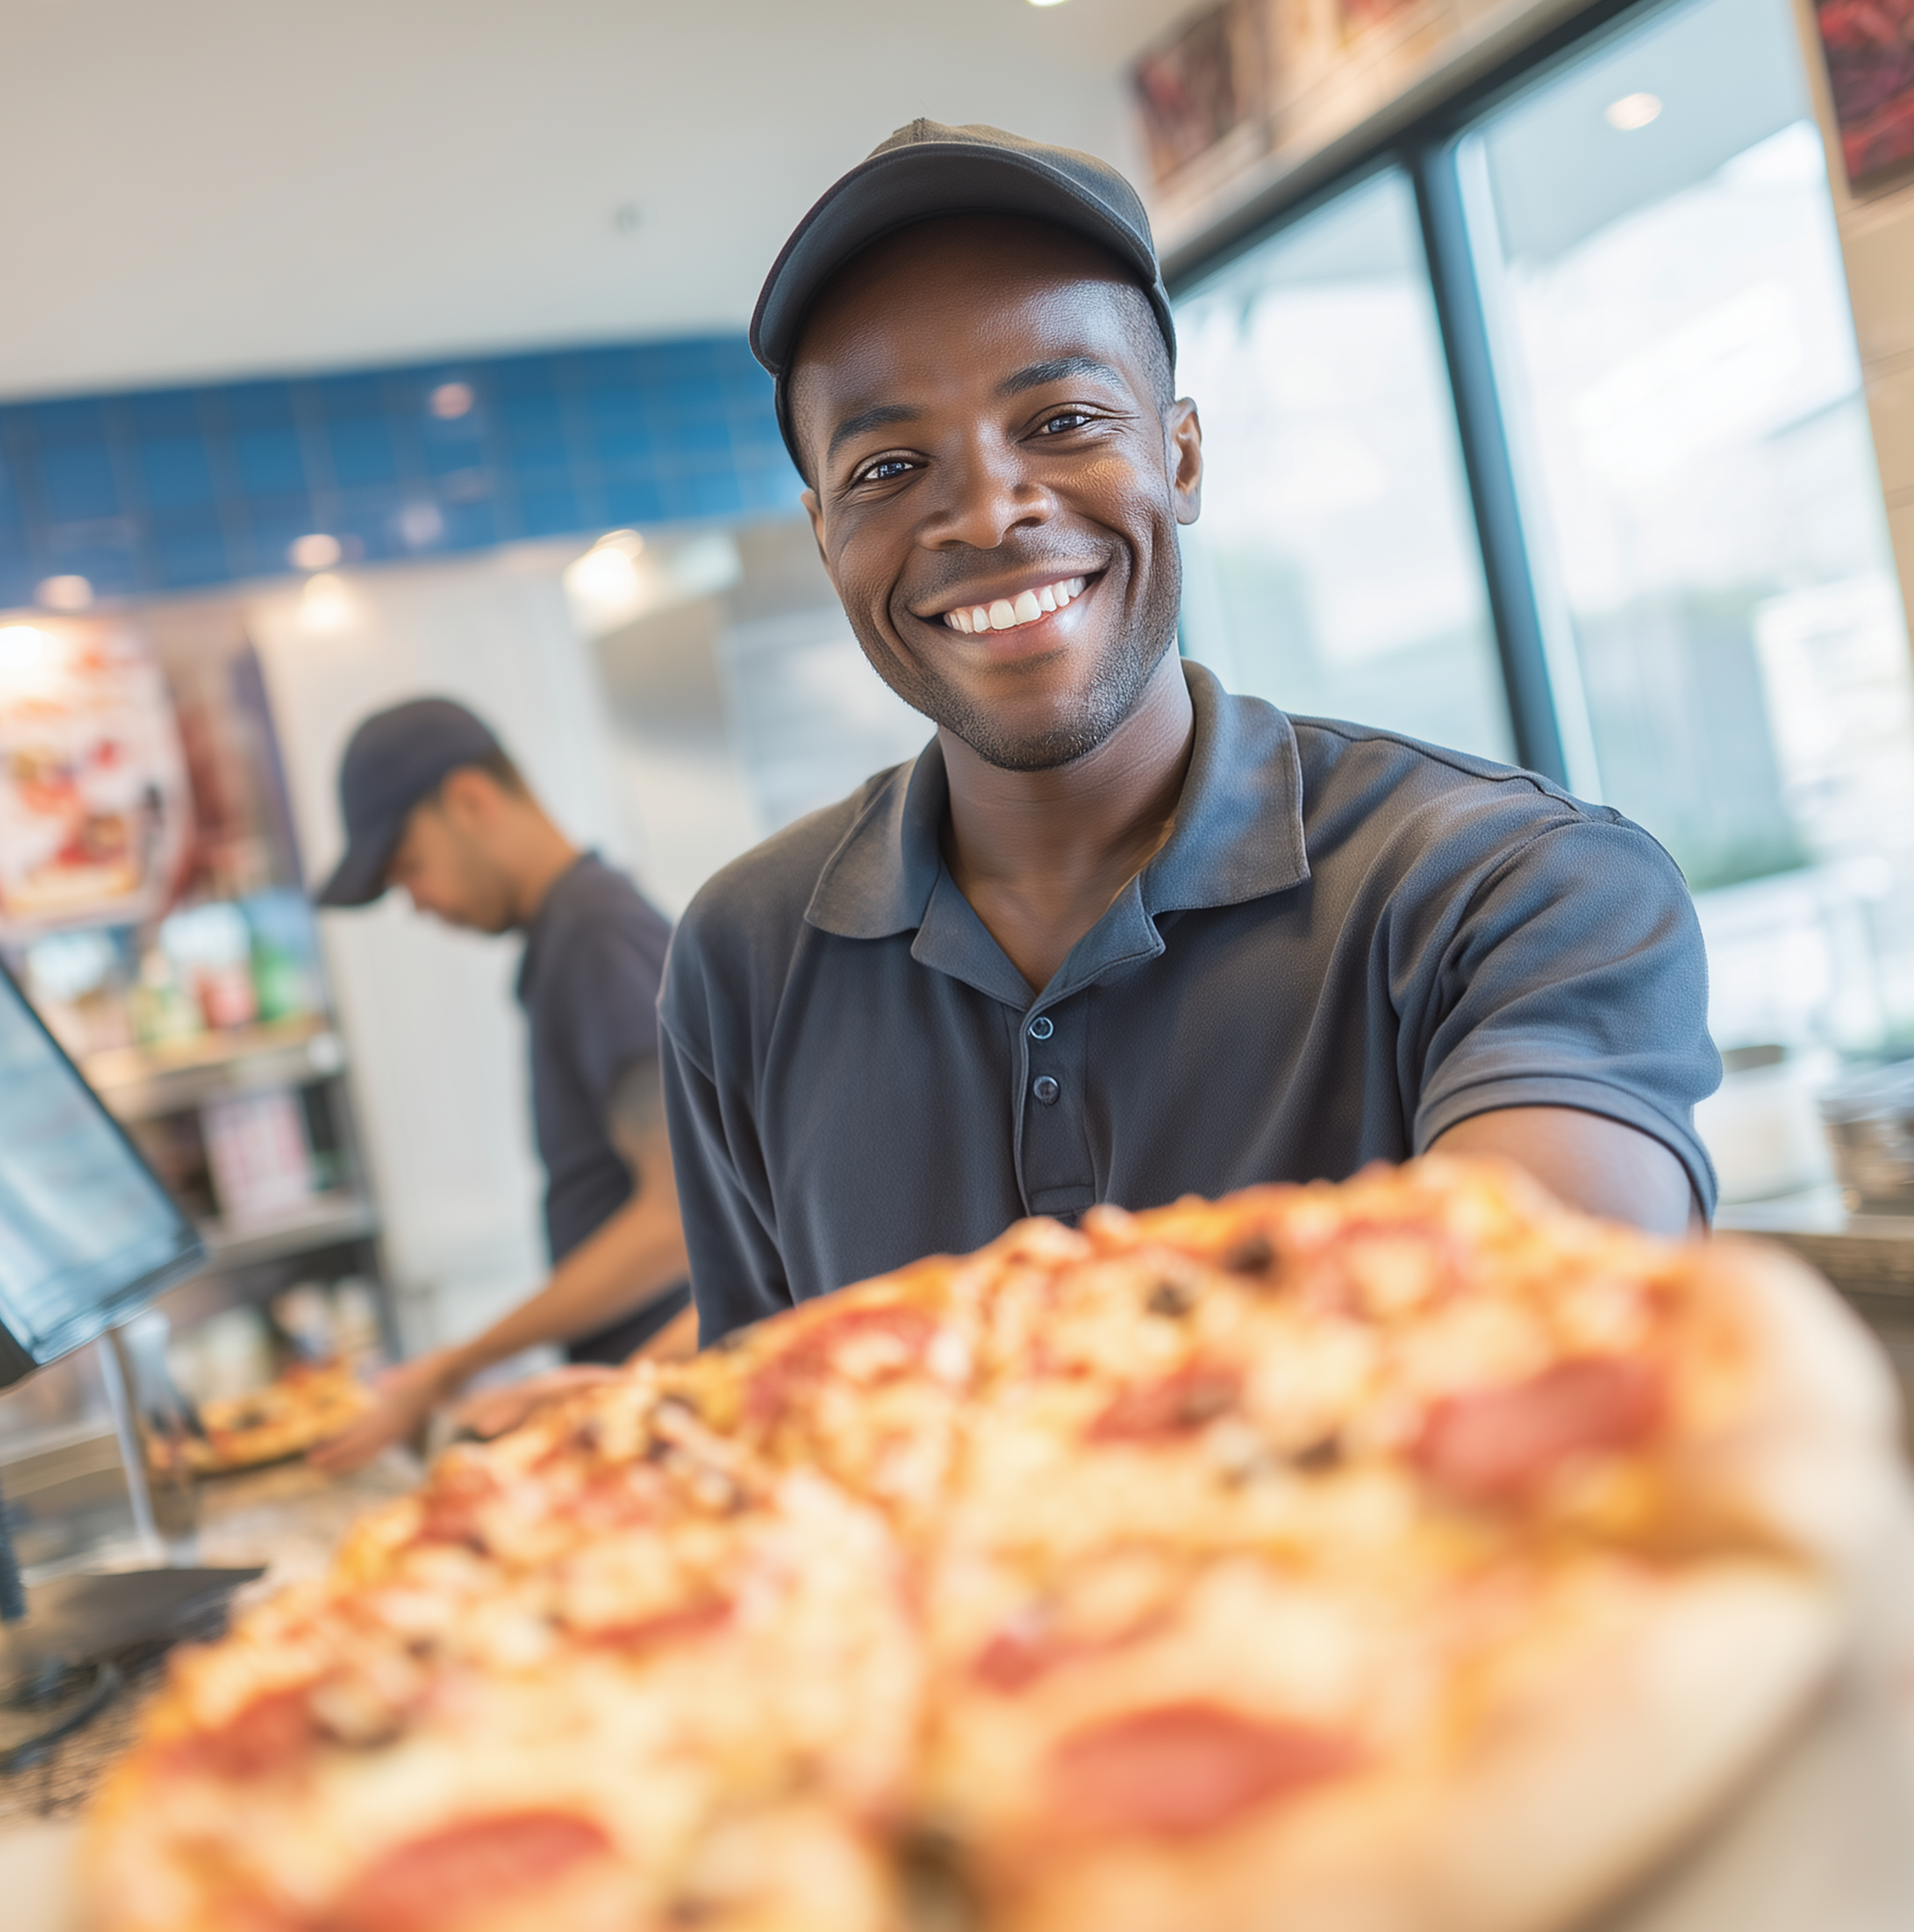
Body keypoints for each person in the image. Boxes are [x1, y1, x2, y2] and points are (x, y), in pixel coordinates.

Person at [658, 121, 1724, 1346]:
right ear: (822, 537)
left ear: (1180, 453)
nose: (987, 511)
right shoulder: (740, 959)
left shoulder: (1513, 887)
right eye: (888, 465)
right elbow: (761, 1445)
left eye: (1059, 421)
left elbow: (1545, 1339)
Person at [306, 698, 695, 1469]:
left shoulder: (594, 937)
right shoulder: (571, 938)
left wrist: (455, 1366)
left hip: (663, 1398)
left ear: (471, 800)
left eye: (409, 867)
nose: (415, 903)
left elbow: (676, 1219)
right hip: (627, 1391)